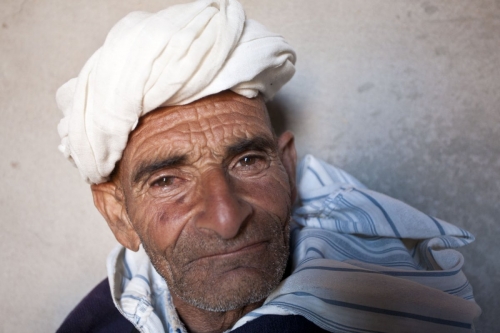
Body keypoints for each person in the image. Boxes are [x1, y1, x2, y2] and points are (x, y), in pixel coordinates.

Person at [56, 0, 481, 332]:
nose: (226, 219)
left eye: (248, 161)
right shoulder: (97, 324)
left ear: (289, 167)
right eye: (167, 180)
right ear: (118, 214)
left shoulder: (387, 306)